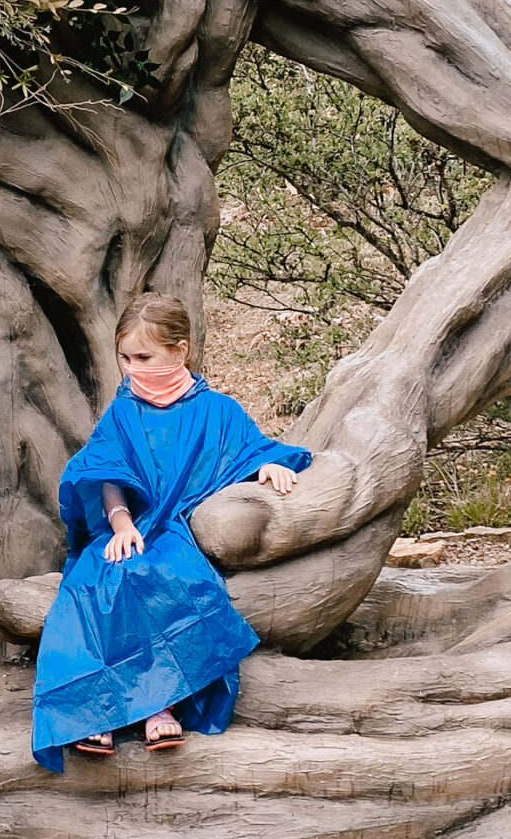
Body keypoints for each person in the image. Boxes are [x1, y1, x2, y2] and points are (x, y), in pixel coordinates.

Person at [30, 294, 312, 770]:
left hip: (176, 530)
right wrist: (120, 525)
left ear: (180, 352)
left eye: (145, 357)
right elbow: (107, 478)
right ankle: (93, 709)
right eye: (125, 358)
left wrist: (268, 465)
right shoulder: (123, 412)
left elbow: (247, 449)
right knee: (99, 580)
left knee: (168, 577)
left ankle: (157, 704)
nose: (133, 368)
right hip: (127, 527)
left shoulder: (217, 410)